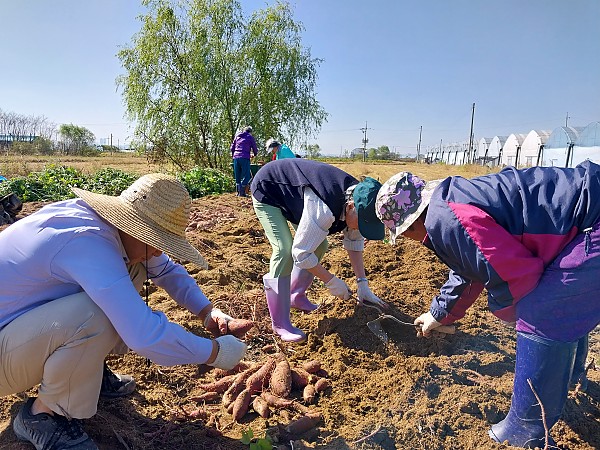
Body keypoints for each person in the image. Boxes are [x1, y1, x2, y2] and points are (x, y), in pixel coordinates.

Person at [0, 173, 248, 450]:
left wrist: (207, 312)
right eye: (157, 242)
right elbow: (144, 336)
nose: (158, 252)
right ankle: (44, 416)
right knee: (97, 315)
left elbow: (166, 270)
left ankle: (85, 370)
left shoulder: (108, 227)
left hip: (16, 331)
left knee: (134, 270)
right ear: (137, 227)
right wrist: (217, 353)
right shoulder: (86, 241)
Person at [375, 165, 600, 449]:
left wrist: (511, 315)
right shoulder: (448, 206)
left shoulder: (445, 221)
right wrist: (439, 313)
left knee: (544, 310)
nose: (408, 240)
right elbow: (469, 266)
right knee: (561, 303)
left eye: (402, 233)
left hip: (592, 223)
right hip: (586, 215)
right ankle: (567, 378)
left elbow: (516, 276)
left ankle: (525, 430)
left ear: (410, 224)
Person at [251, 158, 388, 343]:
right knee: (284, 250)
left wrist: (362, 284)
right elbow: (300, 253)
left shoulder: (360, 199)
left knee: (320, 244)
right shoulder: (324, 208)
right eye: (362, 224)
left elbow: (354, 241)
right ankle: (280, 324)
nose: (361, 229)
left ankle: (295, 296)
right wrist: (331, 281)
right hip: (269, 189)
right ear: (349, 207)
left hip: (296, 196)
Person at [230, 126, 258, 197]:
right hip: (244, 157)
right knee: (247, 176)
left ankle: (238, 192)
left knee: (237, 176)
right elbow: (254, 147)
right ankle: (242, 192)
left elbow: (232, 148)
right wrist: (254, 154)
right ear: (250, 132)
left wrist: (234, 155)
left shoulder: (237, 136)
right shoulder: (250, 137)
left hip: (236, 158)